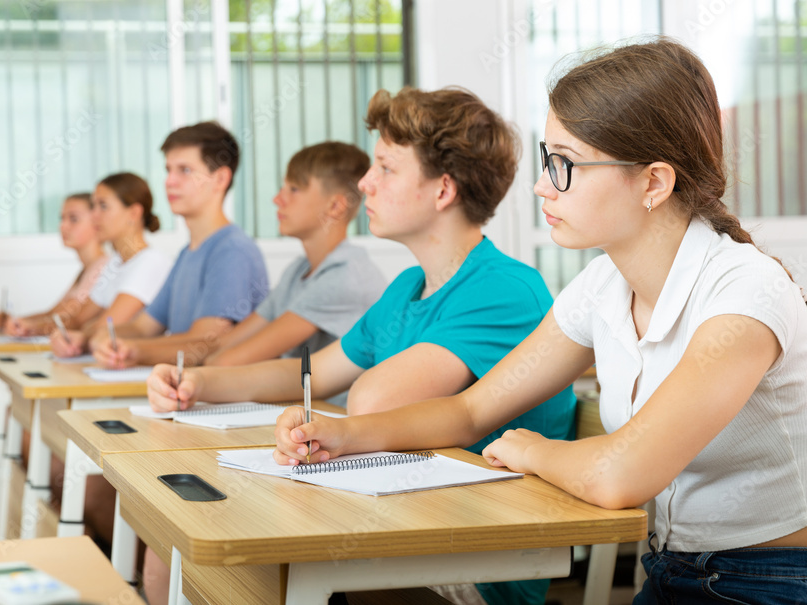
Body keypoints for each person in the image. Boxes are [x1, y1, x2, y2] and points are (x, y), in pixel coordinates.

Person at [274, 38, 807, 605]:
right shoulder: (603, 286)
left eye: (565, 165)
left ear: (654, 181)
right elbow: (471, 410)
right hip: (673, 572)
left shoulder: (745, 292)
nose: (539, 185)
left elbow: (618, 474)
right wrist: (342, 436)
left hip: (770, 582)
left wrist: (526, 449)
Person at [147, 88, 576, 605]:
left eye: (385, 168)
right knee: (183, 542)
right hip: (393, 525)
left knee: (238, 564)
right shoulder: (407, 287)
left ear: (442, 190)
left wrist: (335, 423)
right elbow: (311, 373)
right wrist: (196, 384)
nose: (365, 183)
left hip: (470, 567)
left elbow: (372, 401)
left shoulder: (503, 289)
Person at [88, 121, 269, 367]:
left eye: (184, 170)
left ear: (220, 179)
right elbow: (144, 327)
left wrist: (132, 350)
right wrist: (98, 337)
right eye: (168, 170)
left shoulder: (232, 250)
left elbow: (204, 343)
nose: (169, 181)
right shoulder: (187, 253)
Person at [204, 141, 386, 378]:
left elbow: (228, 362)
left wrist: (205, 365)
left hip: (336, 413)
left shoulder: (345, 276)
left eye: (294, 189)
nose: (278, 199)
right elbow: (226, 345)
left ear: (335, 206)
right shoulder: (297, 270)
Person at [49, 173, 170, 356]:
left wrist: (80, 335)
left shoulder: (151, 262)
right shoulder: (114, 262)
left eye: (103, 206)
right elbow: (80, 318)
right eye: (93, 206)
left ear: (134, 213)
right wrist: (69, 333)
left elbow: (108, 326)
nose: (94, 216)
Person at [4, 193, 109, 336]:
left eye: (73, 219)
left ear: (97, 222)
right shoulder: (86, 269)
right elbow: (54, 313)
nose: (63, 226)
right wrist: (14, 321)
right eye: (62, 218)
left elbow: (73, 320)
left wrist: (28, 327)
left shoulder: (104, 268)